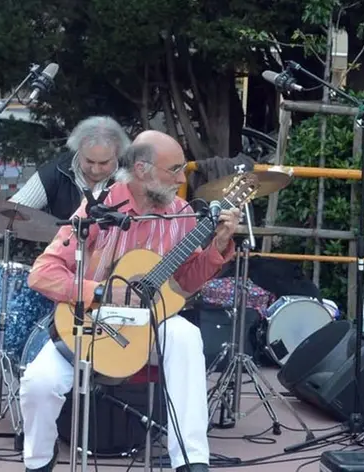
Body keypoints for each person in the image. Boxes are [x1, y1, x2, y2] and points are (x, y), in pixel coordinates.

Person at [19, 130, 241, 472]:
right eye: (174, 170)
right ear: (142, 169)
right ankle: (39, 461)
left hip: (149, 322)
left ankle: (192, 460)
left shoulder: (180, 213)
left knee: (185, 336)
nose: (182, 178)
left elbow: (185, 281)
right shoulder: (99, 208)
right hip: (93, 321)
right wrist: (97, 291)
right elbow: (43, 272)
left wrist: (219, 246)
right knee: (39, 381)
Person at [0, 115, 129, 251]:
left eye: (103, 163)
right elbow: (12, 211)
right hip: (64, 266)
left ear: (118, 153)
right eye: (89, 161)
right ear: (78, 150)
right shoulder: (56, 171)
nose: (95, 170)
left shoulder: (130, 177)